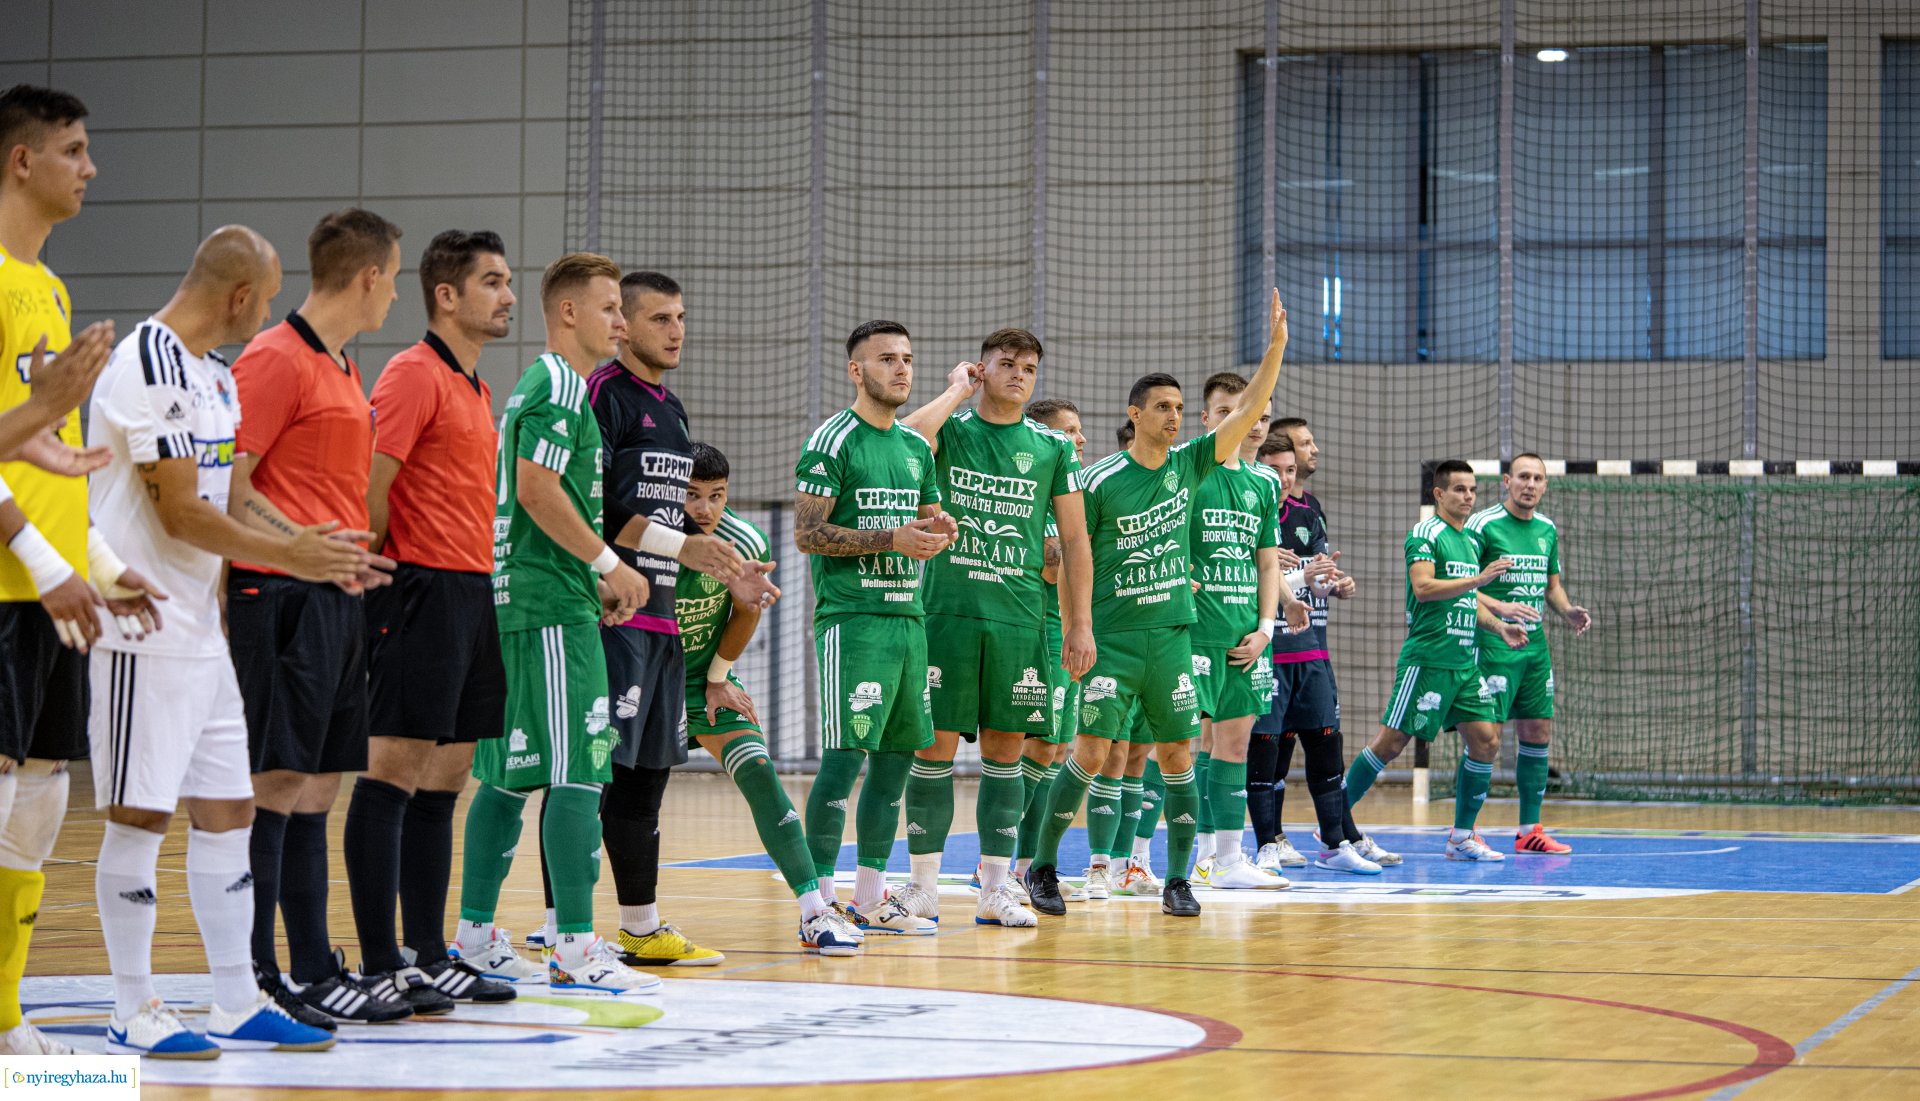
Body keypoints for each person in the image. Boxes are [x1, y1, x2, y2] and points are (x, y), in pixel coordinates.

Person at [89, 227, 350, 1057]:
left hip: (203, 634)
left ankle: (237, 997)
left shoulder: (217, 376)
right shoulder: (147, 361)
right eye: (266, 298)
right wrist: (290, 555)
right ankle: (132, 1005)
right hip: (140, 626)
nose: (267, 312)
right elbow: (177, 511)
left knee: (229, 810)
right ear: (238, 296)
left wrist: (297, 542)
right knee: (141, 814)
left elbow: (229, 497)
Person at [1024, 290, 1291, 919]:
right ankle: (1042, 866)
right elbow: (1074, 560)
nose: (1174, 417)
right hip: (1113, 639)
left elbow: (1248, 409)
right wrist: (1077, 628)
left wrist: (1275, 349)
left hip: (1172, 638)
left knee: (1178, 757)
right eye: (1163, 408)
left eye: (1178, 408)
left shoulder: (1190, 465)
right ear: (1135, 414)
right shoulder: (1096, 480)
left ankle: (1176, 880)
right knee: (1091, 754)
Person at [0, 83, 163, 1057]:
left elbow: (38, 451)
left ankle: (5, 1024)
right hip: (7, 584)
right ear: (22, 160)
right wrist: (38, 558)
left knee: (40, 803)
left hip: (50, 592)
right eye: (74, 150)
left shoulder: (52, 292)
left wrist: (99, 564)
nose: (91, 168)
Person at [449, 252, 657, 995]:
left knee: (508, 776)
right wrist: (609, 564)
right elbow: (536, 490)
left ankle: (475, 937)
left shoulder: (539, 385)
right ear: (569, 312)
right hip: (548, 613)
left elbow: (529, 501)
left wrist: (586, 576)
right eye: (610, 308)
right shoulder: (563, 385)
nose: (621, 323)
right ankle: (573, 944)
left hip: (527, 600)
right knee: (579, 771)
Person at [228, 208, 403, 1026]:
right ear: (368, 276)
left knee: (320, 781)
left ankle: (311, 964)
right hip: (278, 597)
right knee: (276, 780)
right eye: (393, 277)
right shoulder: (273, 358)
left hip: (335, 597)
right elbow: (230, 489)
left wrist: (345, 558)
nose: (393, 293)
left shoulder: (344, 366)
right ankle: (256, 970)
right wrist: (299, 548)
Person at [348, 230, 521, 1012]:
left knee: (447, 777)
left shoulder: (474, 386)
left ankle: (426, 950)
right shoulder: (412, 373)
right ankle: (380, 959)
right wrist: (371, 584)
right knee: (392, 769)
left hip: (472, 590)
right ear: (446, 295)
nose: (508, 295)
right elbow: (371, 484)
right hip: (416, 588)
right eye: (492, 281)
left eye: (507, 281)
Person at [896, 329, 1092, 928]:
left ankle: (996, 889)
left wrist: (1079, 624)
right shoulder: (952, 430)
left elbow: (1076, 539)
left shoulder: (1053, 447)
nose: (1018, 375)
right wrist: (956, 390)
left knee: (1007, 753)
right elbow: (906, 440)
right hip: (947, 614)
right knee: (933, 749)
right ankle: (922, 889)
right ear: (983, 369)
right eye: (1006, 364)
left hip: (1019, 620)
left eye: (1028, 368)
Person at [794, 320, 953, 936]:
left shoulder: (915, 447)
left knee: (895, 762)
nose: (902, 369)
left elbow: (926, 516)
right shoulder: (832, 439)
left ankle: (869, 897)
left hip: (909, 619)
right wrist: (891, 538)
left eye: (907, 358)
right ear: (856, 371)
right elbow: (809, 533)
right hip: (854, 620)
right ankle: (817, 905)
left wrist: (940, 529)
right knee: (843, 759)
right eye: (887, 359)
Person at [674, 442, 860, 955]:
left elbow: (746, 611)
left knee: (758, 769)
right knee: (599, 795)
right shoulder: (649, 536)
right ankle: (563, 923)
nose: (705, 508)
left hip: (702, 681)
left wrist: (718, 677)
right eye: (692, 495)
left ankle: (814, 913)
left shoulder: (744, 541)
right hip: (644, 681)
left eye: (716, 495)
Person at [1342, 460, 1530, 860]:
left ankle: (1461, 837)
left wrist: (1500, 626)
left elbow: (1466, 600)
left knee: (1486, 740)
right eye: (1460, 489)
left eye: (1473, 490)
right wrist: (1480, 579)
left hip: (1464, 663)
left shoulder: (1470, 541)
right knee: (1391, 743)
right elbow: (1424, 587)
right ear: (1439, 494)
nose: (1469, 496)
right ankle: (1334, 823)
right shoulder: (1425, 533)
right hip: (1428, 660)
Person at [1185, 372, 1307, 889]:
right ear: (1207, 419)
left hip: (1245, 636)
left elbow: (1265, 562)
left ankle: (1227, 859)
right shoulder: (1188, 468)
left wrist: (1265, 629)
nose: (1250, 423)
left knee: (1234, 747)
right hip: (1191, 631)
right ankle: (1165, 855)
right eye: (1233, 412)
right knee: (1180, 747)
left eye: (1258, 414)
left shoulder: (1263, 482)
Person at [1254, 434, 1380, 873]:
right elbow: (1252, 578)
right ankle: (1267, 844)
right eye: (1274, 470)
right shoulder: (1248, 514)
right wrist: (1300, 578)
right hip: (1268, 650)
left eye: (1289, 470)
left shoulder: (1307, 513)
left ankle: (1334, 843)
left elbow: (1316, 579)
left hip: (1309, 651)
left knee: (1327, 743)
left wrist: (1334, 584)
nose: (1284, 479)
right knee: (1266, 752)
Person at [1466, 453, 1592, 854]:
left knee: (1538, 731)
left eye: (1537, 478)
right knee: (1485, 738)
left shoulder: (1547, 529)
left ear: (1545, 485)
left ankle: (1529, 831)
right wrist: (1500, 612)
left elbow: (1551, 586)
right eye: (1523, 477)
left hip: (1535, 648)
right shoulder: (1483, 524)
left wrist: (1567, 610)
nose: (1530, 484)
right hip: (1494, 643)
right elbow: (1461, 582)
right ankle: (1464, 830)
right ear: (1507, 481)